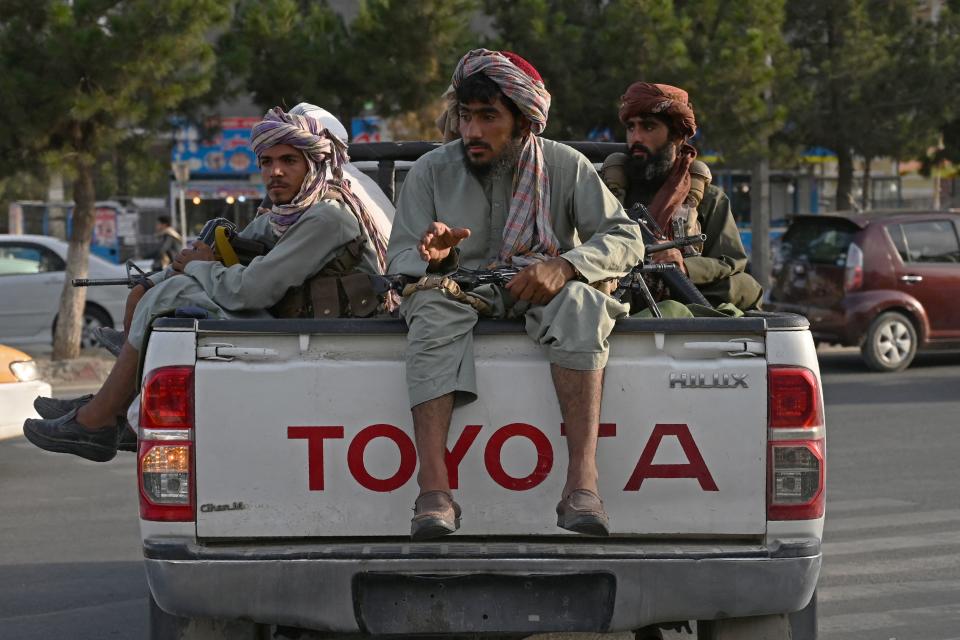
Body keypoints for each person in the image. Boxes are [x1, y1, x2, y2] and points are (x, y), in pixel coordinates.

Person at [25, 107, 388, 463]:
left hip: (325, 338)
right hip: (294, 329)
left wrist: (197, 269)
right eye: (266, 162)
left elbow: (252, 291)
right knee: (157, 290)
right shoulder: (287, 213)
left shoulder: (328, 216)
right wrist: (154, 280)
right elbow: (235, 247)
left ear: (315, 163)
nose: (275, 172)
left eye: (289, 161)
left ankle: (99, 419)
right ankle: (109, 407)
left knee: (172, 294)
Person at [389, 49, 644, 540]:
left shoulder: (564, 166)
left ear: (525, 122)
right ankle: (434, 491)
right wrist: (438, 259)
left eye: (489, 117)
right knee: (430, 305)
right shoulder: (430, 172)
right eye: (466, 117)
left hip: (536, 285)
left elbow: (626, 237)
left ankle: (581, 484)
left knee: (582, 303)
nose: (472, 132)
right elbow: (401, 259)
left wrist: (567, 264)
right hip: (459, 290)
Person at [600, 82, 763, 310]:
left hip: (687, 301)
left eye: (648, 128)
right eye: (631, 128)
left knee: (744, 286)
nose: (636, 138)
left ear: (677, 137)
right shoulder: (607, 193)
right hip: (622, 298)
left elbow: (731, 261)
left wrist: (685, 266)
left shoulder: (708, 198)